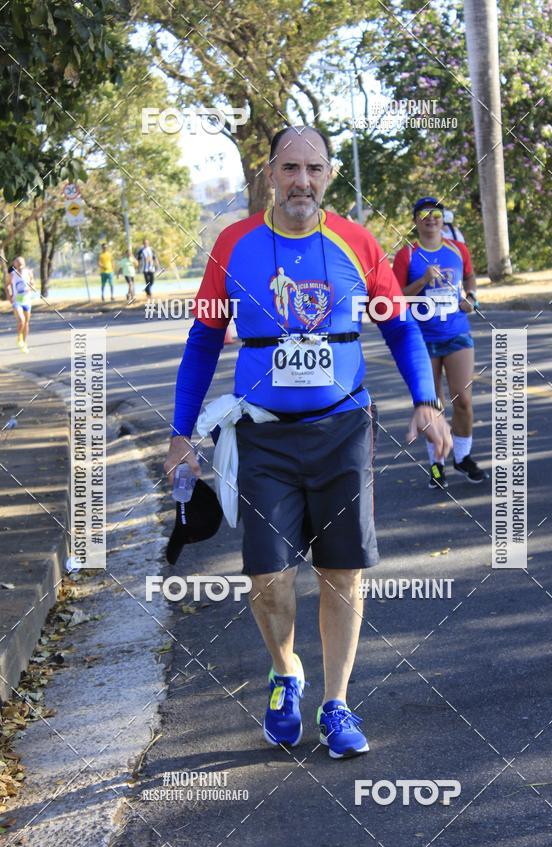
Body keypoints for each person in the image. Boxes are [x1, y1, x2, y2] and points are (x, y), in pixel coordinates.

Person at [164, 126, 451, 759]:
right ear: (269, 173)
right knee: (268, 573)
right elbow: (203, 341)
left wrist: (426, 402)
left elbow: (400, 328)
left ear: (327, 175)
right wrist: (182, 435)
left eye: (313, 169)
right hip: (262, 436)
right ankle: (285, 672)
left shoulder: (356, 241)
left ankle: (337, 700)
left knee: (341, 571)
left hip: (343, 432)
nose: (302, 181)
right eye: (290, 168)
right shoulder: (235, 244)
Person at [393, 197, 487, 488]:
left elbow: (470, 278)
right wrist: (422, 281)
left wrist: (471, 298)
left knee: (464, 399)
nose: (431, 218)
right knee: (434, 406)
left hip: (457, 333)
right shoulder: (407, 255)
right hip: (422, 338)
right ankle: (437, 465)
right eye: (424, 214)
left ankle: (463, 457)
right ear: (416, 221)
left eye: (436, 213)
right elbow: (395, 297)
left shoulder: (457, 250)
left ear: (442, 218)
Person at [9, 256, 34, 353]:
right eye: (17, 262)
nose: (19, 264)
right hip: (17, 301)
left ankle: (24, 343)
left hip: (27, 301)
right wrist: (9, 295)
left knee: (26, 323)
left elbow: (32, 283)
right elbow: (7, 285)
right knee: (21, 320)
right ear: (14, 264)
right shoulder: (12, 274)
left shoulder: (29, 272)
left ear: (24, 263)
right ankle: (19, 337)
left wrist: (30, 288)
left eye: (21, 262)